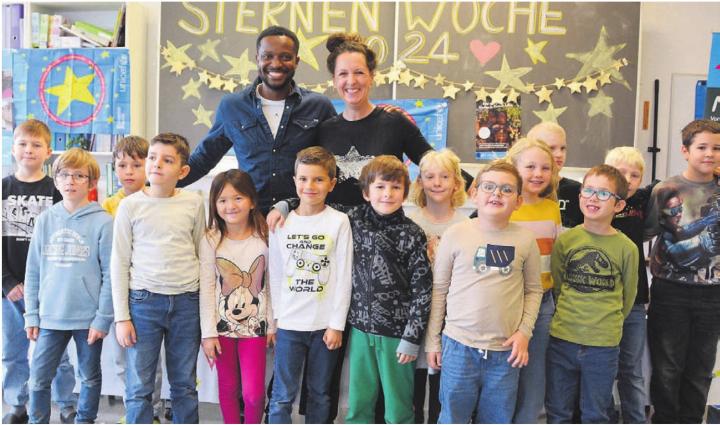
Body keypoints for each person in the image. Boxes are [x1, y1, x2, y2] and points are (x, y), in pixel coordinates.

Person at [267, 155, 432, 423]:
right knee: (359, 404)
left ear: (406, 191)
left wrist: (412, 337)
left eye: (395, 187)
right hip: (360, 330)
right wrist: (285, 204)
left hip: (396, 333)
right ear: (366, 193)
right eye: (380, 187)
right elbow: (313, 200)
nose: (387, 194)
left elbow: (422, 290)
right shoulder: (353, 218)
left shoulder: (411, 233)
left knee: (398, 406)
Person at [427, 160, 542, 423]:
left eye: (506, 189)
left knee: (497, 418)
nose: (496, 194)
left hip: (505, 353)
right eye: (488, 186)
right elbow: (439, 290)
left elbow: (534, 291)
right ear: (474, 193)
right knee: (452, 416)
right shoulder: (455, 234)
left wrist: (524, 332)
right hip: (458, 347)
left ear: (519, 201)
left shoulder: (525, 240)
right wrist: (433, 341)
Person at [180, 26, 336, 213]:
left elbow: (334, 164)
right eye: (267, 56)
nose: (276, 63)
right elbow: (203, 159)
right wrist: (155, 185)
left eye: (285, 57)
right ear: (257, 59)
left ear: (297, 61)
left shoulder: (319, 106)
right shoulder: (232, 106)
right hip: (250, 220)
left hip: (301, 219)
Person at [111, 133, 206, 424]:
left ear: (183, 170)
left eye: (167, 160)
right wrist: (122, 317)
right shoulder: (130, 206)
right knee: (139, 385)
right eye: (152, 158)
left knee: (184, 384)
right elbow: (120, 261)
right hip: (143, 303)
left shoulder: (193, 203)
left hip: (187, 303)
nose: (156, 165)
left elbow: (200, 251)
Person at [24, 148, 114, 424]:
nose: (70, 180)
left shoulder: (103, 222)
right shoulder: (45, 220)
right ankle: (37, 420)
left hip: (88, 319)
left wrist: (103, 318)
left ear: (91, 182)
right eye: (64, 174)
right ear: (56, 179)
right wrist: (32, 314)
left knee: (88, 376)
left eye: (79, 175)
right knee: (39, 378)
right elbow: (34, 270)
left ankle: (84, 420)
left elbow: (110, 274)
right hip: (50, 316)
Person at [546, 165, 639, 423]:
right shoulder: (565, 241)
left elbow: (628, 296)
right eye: (588, 190)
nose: (593, 197)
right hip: (563, 338)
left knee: (595, 413)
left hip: (603, 345)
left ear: (618, 206)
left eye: (603, 193)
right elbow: (558, 283)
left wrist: (607, 326)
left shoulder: (627, 248)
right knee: (558, 410)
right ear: (579, 197)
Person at [267, 146, 353, 423]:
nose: (310, 186)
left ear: (331, 183)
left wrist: (336, 324)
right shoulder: (281, 222)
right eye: (303, 179)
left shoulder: (339, 222)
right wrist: (275, 319)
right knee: (282, 394)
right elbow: (276, 274)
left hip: (324, 326)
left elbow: (343, 276)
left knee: (320, 393)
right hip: (290, 324)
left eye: (318, 179)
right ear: (294, 181)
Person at [644, 119, 720, 423]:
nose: (710, 154)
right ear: (685, 151)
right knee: (666, 367)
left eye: (717, 148)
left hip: (713, 294)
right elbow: (647, 233)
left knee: (700, 368)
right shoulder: (666, 190)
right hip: (670, 292)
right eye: (702, 147)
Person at [2, 119, 77, 424]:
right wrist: (7, 282)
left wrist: (53, 283)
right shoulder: (3, 189)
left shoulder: (56, 191)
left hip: (49, 289)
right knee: (13, 350)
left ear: (48, 152)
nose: (28, 150)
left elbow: (65, 241)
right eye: (22, 143)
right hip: (10, 291)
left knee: (56, 352)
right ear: (12, 148)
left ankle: (67, 403)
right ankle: (18, 403)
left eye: (36, 145)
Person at [318, 32, 433, 206]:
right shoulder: (324, 130)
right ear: (334, 80)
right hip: (337, 230)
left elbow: (435, 164)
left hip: (385, 229)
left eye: (359, 72)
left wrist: (479, 185)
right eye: (343, 74)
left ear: (371, 76)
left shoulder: (394, 122)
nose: (351, 81)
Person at [101, 136, 166, 424]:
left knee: (150, 360)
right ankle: (134, 408)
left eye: (136, 165)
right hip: (117, 293)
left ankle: (149, 410)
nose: (129, 171)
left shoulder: (158, 201)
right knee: (122, 357)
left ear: (149, 166)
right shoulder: (106, 207)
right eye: (122, 165)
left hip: (149, 293)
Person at [199, 169, 272, 424]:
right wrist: (207, 333)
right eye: (222, 200)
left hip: (256, 328)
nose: (230, 206)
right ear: (214, 205)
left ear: (252, 201)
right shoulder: (211, 239)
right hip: (221, 329)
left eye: (238, 198)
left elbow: (270, 283)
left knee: (252, 394)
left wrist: (272, 323)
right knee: (228, 389)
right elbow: (207, 287)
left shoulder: (265, 235)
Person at [407, 149, 469, 424]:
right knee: (413, 385)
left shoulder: (467, 225)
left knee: (443, 386)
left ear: (456, 182)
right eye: (430, 176)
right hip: (415, 314)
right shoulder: (410, 222)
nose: (437, 182)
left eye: (444, 176)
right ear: (419, 181)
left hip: (450, 316)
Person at [504, 138, 562, 424]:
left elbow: (556, 255)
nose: (538, 174)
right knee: (504, 371)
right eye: (530, 167)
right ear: (514, 168)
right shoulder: (505, 207)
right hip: (506, 302)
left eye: (545, 168)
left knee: (534, 370)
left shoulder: (551, 209)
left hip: (542, 303)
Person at [604, 147, 658, 423]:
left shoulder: (641, 202)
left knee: (631, 368)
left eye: (634, 175)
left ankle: (635, 418)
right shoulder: (597, 205)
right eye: (620, 172)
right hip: (600, 302)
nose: (627, 179)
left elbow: (650, 229)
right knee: (601, 366)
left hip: (634, 300)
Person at [527, 122, 582, 229]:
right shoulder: (518, 190)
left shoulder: (577, 190)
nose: (559, 154)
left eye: (563, 148)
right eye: (551, 148)